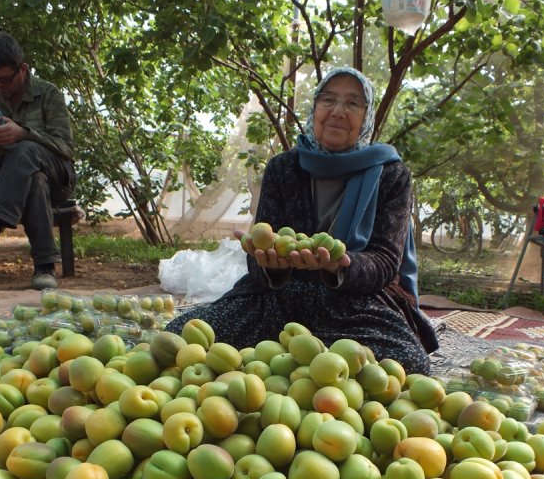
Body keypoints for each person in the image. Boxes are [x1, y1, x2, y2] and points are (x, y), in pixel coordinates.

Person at [167, 66, 438, 374]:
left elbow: (386, 261)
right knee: (179, 336)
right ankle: (292, 364)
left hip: (354, 304)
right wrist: (270, 265)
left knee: (409, 364)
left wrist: (339, 264)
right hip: (280, 298)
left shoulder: (390, 175)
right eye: (328, 100)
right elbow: (259, 258)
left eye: (352, 103)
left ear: (367, 117)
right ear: (315, 108)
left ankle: (311, 364)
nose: (337, 111)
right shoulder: (284, 169)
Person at [0, 31, 76, 290]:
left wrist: (23, 134)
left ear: (23, 69)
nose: (0, 87)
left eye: (5, 80)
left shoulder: (48, 94)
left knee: (27, 150)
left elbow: (65, 148)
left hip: (58, 175)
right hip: (15, 182)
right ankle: (45, 266)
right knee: (34, 180)